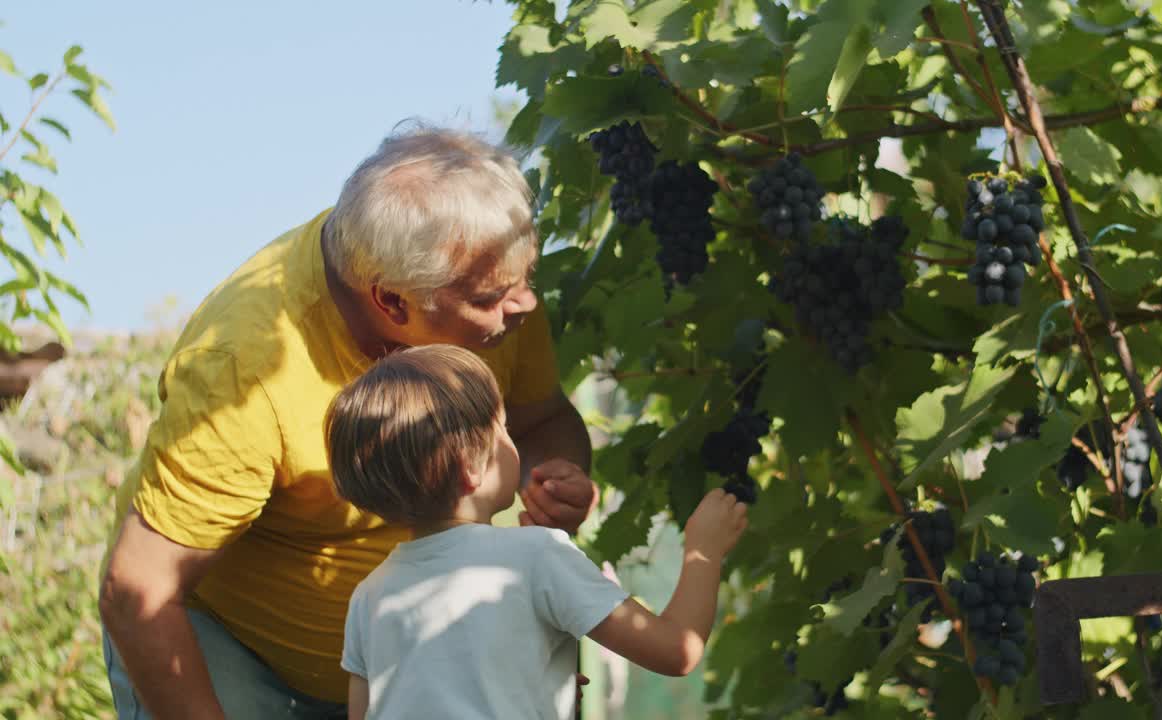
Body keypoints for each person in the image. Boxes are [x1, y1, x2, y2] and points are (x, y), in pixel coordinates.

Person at [97, 123, 600, 720]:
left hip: (408, 668)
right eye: (493, 295)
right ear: (392, 302)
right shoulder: (245, 367)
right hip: (234, 657)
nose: (524, 305)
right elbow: (139, 593)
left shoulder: (488, 288)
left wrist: (556, 482)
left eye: (525, 279)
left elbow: (542, 420)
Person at [325, 344, 749, 720]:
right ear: (471, 468)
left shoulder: (369, 594)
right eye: (503, 428)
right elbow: (677, 650)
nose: (513, 442)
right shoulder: (535, 555)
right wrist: (704, 550)